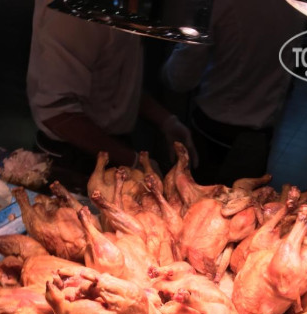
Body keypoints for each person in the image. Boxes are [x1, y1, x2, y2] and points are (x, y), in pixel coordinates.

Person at [27, 0, 197, 186]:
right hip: (70, 157)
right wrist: (133, 161)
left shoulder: (124, 6)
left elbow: (112, 83)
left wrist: (167, 121)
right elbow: (55, 112)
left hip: (113, 149)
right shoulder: (73, 13)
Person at [162, 0, 305, 185]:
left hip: (213, 134)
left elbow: (180, 77)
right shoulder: (299, 6)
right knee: (246, 200)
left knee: (193, 200)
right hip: (260, 138)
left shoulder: (221, 4)